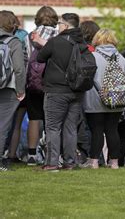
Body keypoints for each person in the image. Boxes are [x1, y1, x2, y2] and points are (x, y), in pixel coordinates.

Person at [35, 13, 88, 171]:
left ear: (65, 26)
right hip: (77, 91)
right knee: (70, 128)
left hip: (56, 90)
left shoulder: (56, 41)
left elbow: (40, 58)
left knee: (53, 127)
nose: (58, 26)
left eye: (60, 23)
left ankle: (51, 163)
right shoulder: (82, 43)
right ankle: (69, 162)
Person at [81, 29, 125, 169]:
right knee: (112, 129)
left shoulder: (92, 56)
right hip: (116, 100)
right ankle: (114, 162)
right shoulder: (121, 58)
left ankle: (94, 161)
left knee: (96, 130)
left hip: (95, 100)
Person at [25, 6, 59, 166]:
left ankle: (31, 154)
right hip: (50, 81)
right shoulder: (57, 35)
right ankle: (50, 153)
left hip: (32, 82)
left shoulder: (29, 36)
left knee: (34, 117)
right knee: (51, 119)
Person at [0, 10, 27, 171]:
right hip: (8, 88)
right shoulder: (14, 41)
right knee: (2, 125)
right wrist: (20, 90)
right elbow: (19, 69)